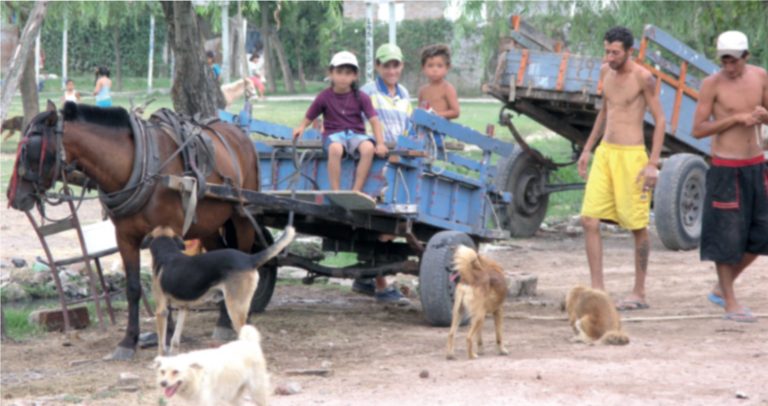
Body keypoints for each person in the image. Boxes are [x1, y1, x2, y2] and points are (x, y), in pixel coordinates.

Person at [577, 26, 666, 311]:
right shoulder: (606, 73)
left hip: (632, 158)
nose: (610, 57)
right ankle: (598, 290)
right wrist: (588, 148)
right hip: (606, 154)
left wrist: (652, 163)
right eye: (607, 51)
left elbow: (661, 120)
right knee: (589, 219)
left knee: (636, 225)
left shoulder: (644, 78)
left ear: (630, 52)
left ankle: (639, 292)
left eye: (615, 52)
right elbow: (605, 110)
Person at [692, 30, 768, 323]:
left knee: (761, 234)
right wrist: (734, 119)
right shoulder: (712, 85)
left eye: (734, 61)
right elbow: (698, 128)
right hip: (726, 167)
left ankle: (722, 288)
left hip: (755, 165)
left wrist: (762, 115)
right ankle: (730, 301)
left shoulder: (760, 77)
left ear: (746, 57)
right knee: (726, 237)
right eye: (724, 61)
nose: (729, 67)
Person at [353, 43, 413, 303]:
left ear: (401, 66)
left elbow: (408, 127)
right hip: (375, 159)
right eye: (386, 65)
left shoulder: (404, 94)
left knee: (396, 216)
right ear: (377, 66)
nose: (391, 70)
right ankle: (380, 283)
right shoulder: (368, 92)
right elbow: (356, 122)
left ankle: (367, 277)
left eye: (395, 65)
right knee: (387, 218)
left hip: (397, 160)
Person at [292, 51, 388, 192]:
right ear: (331, 73)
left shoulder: (361, 97)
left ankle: (356, 190)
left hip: (356, 135)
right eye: (339, 72)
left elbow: (374, 121)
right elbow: (310, 115)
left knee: (368, 148)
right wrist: (301, 127)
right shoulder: (324, 97)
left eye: (348, 73)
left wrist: (380, 143)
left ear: (355, 76)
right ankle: (335, 190)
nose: (343, 77)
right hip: (334, 135)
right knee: (335, 149)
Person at [417, 44, 460, 120]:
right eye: (430, 66)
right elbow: (420, 111)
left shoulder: (447, 88)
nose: (435, 70)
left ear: (447, 67)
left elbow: (456, 112)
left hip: (441, 130)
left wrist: (436, 115)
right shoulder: (422, 91)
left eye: (439, 66)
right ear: (423, 68)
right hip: (424, 130)